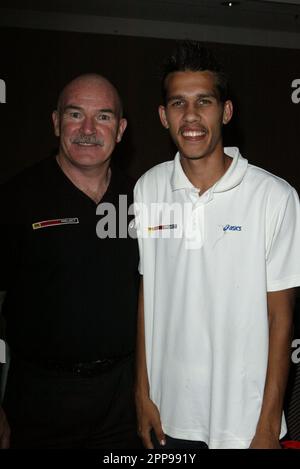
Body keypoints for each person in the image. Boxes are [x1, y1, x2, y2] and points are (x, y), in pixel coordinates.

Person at [134, 42, 300, 449]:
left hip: (244, 424)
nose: (190, 116)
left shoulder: (274, 196)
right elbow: (148, 294)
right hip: (169, 416)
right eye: (178, 103)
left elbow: (281, 320)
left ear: (225, 111)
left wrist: (267, 425)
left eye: (203, 102)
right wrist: (142, 394)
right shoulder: (148, 188)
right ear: (163, 116)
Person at [0, 73, 141, 448]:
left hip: (122, 401)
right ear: (56, 122)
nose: (89, 129)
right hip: (39, 400)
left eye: (104, 117)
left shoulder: (140, 199)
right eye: (76, 114)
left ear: (121, 128)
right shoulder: (15, 198)